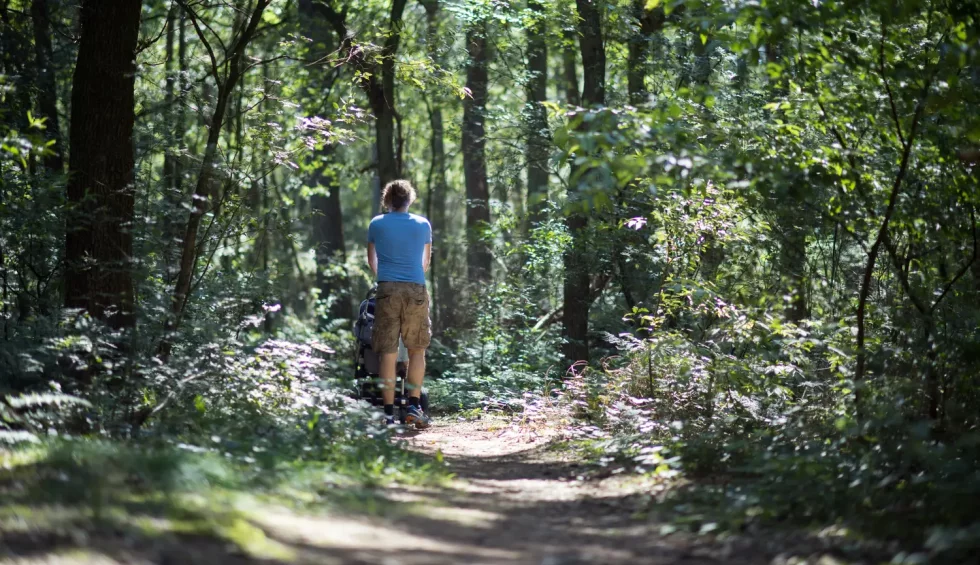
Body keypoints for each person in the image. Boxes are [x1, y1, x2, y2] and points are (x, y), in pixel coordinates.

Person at [367, 179, 432, 429]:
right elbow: (425, 262)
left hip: (387, 288)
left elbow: (372, 260)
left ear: (387, 200)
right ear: (410, 199)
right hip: (415, 287)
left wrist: (384, 278)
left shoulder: (377, 223)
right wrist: (413, 277)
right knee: (417, 349)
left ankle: (388, 413)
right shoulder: (422, 224)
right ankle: (414, 407)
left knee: (388, 352)